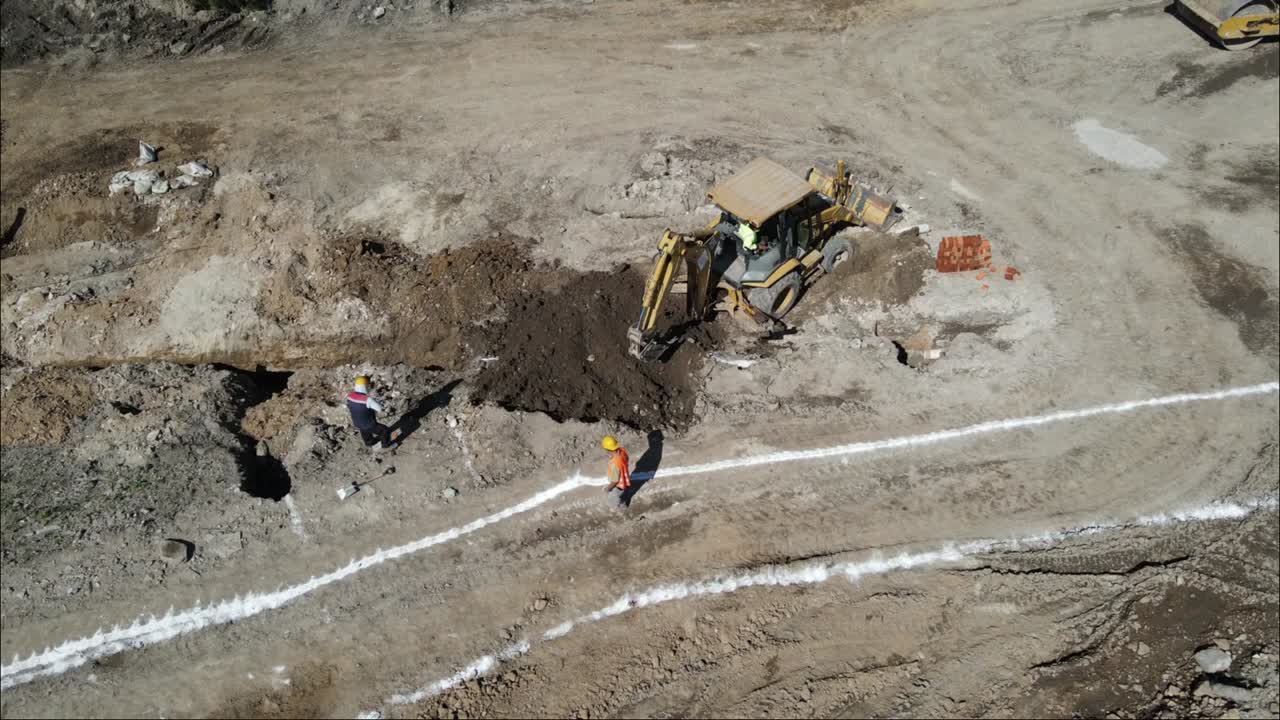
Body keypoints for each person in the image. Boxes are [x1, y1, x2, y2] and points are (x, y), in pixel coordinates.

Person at [347, 375, 396, 450]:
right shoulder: (367, 399)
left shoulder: (350, 396)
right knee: (384, 430)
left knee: (364, 431)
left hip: (357, 422)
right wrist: (379, 402)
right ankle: (386, 445)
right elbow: (379, 409)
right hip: (369, 424)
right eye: (367, 386)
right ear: (365, 386)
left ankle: (369, 443)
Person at [601, 435, 631, 509]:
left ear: (608, 450)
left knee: (615, 498)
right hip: (624, 480)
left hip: (618, 486)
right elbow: (626, 458)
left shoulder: (615, 463)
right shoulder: (622, 451)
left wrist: (607, 488)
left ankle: (621, 506)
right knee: (623, 492)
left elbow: (615, 481)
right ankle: (624, 500)